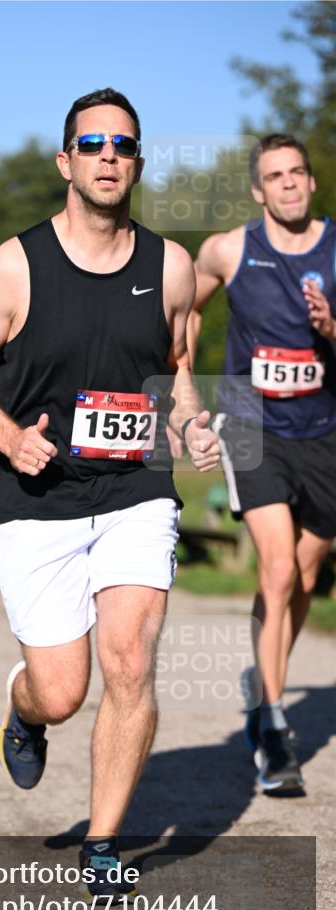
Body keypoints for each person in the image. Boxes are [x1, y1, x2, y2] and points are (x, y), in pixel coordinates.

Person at [0, 87, 220, 896]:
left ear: (136, 163)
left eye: (122, 145)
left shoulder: (170, 266)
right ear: (65, 161)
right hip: (41, 494)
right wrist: (7, 437)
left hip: (136, 488)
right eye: (92, 143)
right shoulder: (14, 263)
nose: (108, 156)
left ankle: (103, 846)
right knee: (63, 693)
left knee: (129, 661)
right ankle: (23, 708)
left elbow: (173, 372)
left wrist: (191, 426)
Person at [188, 134, 336, 793]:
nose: (287, 185)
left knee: (304, 573)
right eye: (273, 176)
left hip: (324, 426)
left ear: (309, 181)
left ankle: (263, 672)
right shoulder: (226, 249)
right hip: (248, 417)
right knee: (275, 567)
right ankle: (272, 726)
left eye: (296, 173)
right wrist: (184, 392)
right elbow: (182, 311)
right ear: (257, 190)